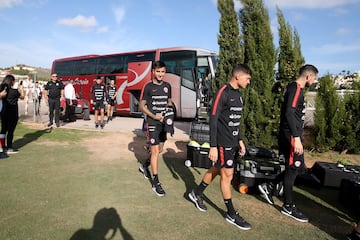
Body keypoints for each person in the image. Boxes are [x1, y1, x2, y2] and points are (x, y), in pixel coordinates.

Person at [188, 64, 252, 230]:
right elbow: (214, 120)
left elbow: (236, 121)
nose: (248, 81)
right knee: (227, 175)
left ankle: (196, 193)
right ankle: (231, 213)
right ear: (237, 76)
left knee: (217, 169)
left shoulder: (238, 96)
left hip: (232, 143)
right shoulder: (223, 92)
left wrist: (240, 140)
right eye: (247, 78)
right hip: (222, 143)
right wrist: (213, 146)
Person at [258, 64, 319, 223]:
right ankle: (288, 206)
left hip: (289, 135)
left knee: (298, 167)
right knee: (293, 169)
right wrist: (296, 137)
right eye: (314, 77)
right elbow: (289, 113)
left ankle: (269, 186)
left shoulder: (293, 88)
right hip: (291, 136)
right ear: (308, 76)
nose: (314, 81)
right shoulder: (296, 89)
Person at [138, 61, 173, 197]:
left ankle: (144, 166)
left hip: (163, 122)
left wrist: (169, 110)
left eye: (163, 71)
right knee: (154, 151)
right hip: (153, 122)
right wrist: (154, 116)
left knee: (160, 150)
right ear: (153, 71)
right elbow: (142, 106)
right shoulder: (147, 87)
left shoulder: (167, 86)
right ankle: (156, 183)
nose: (160, 74)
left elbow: (168, 101)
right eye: (158, 71)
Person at [0, 75, 25, 154]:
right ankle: (9, 147)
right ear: (12, 81)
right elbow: (22, 97)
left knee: (3, 129)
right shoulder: (14, 91)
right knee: (10, 130)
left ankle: (2, 146)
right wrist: (21, 89)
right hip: (12, 113)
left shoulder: (2, 89)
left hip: (3, 112)